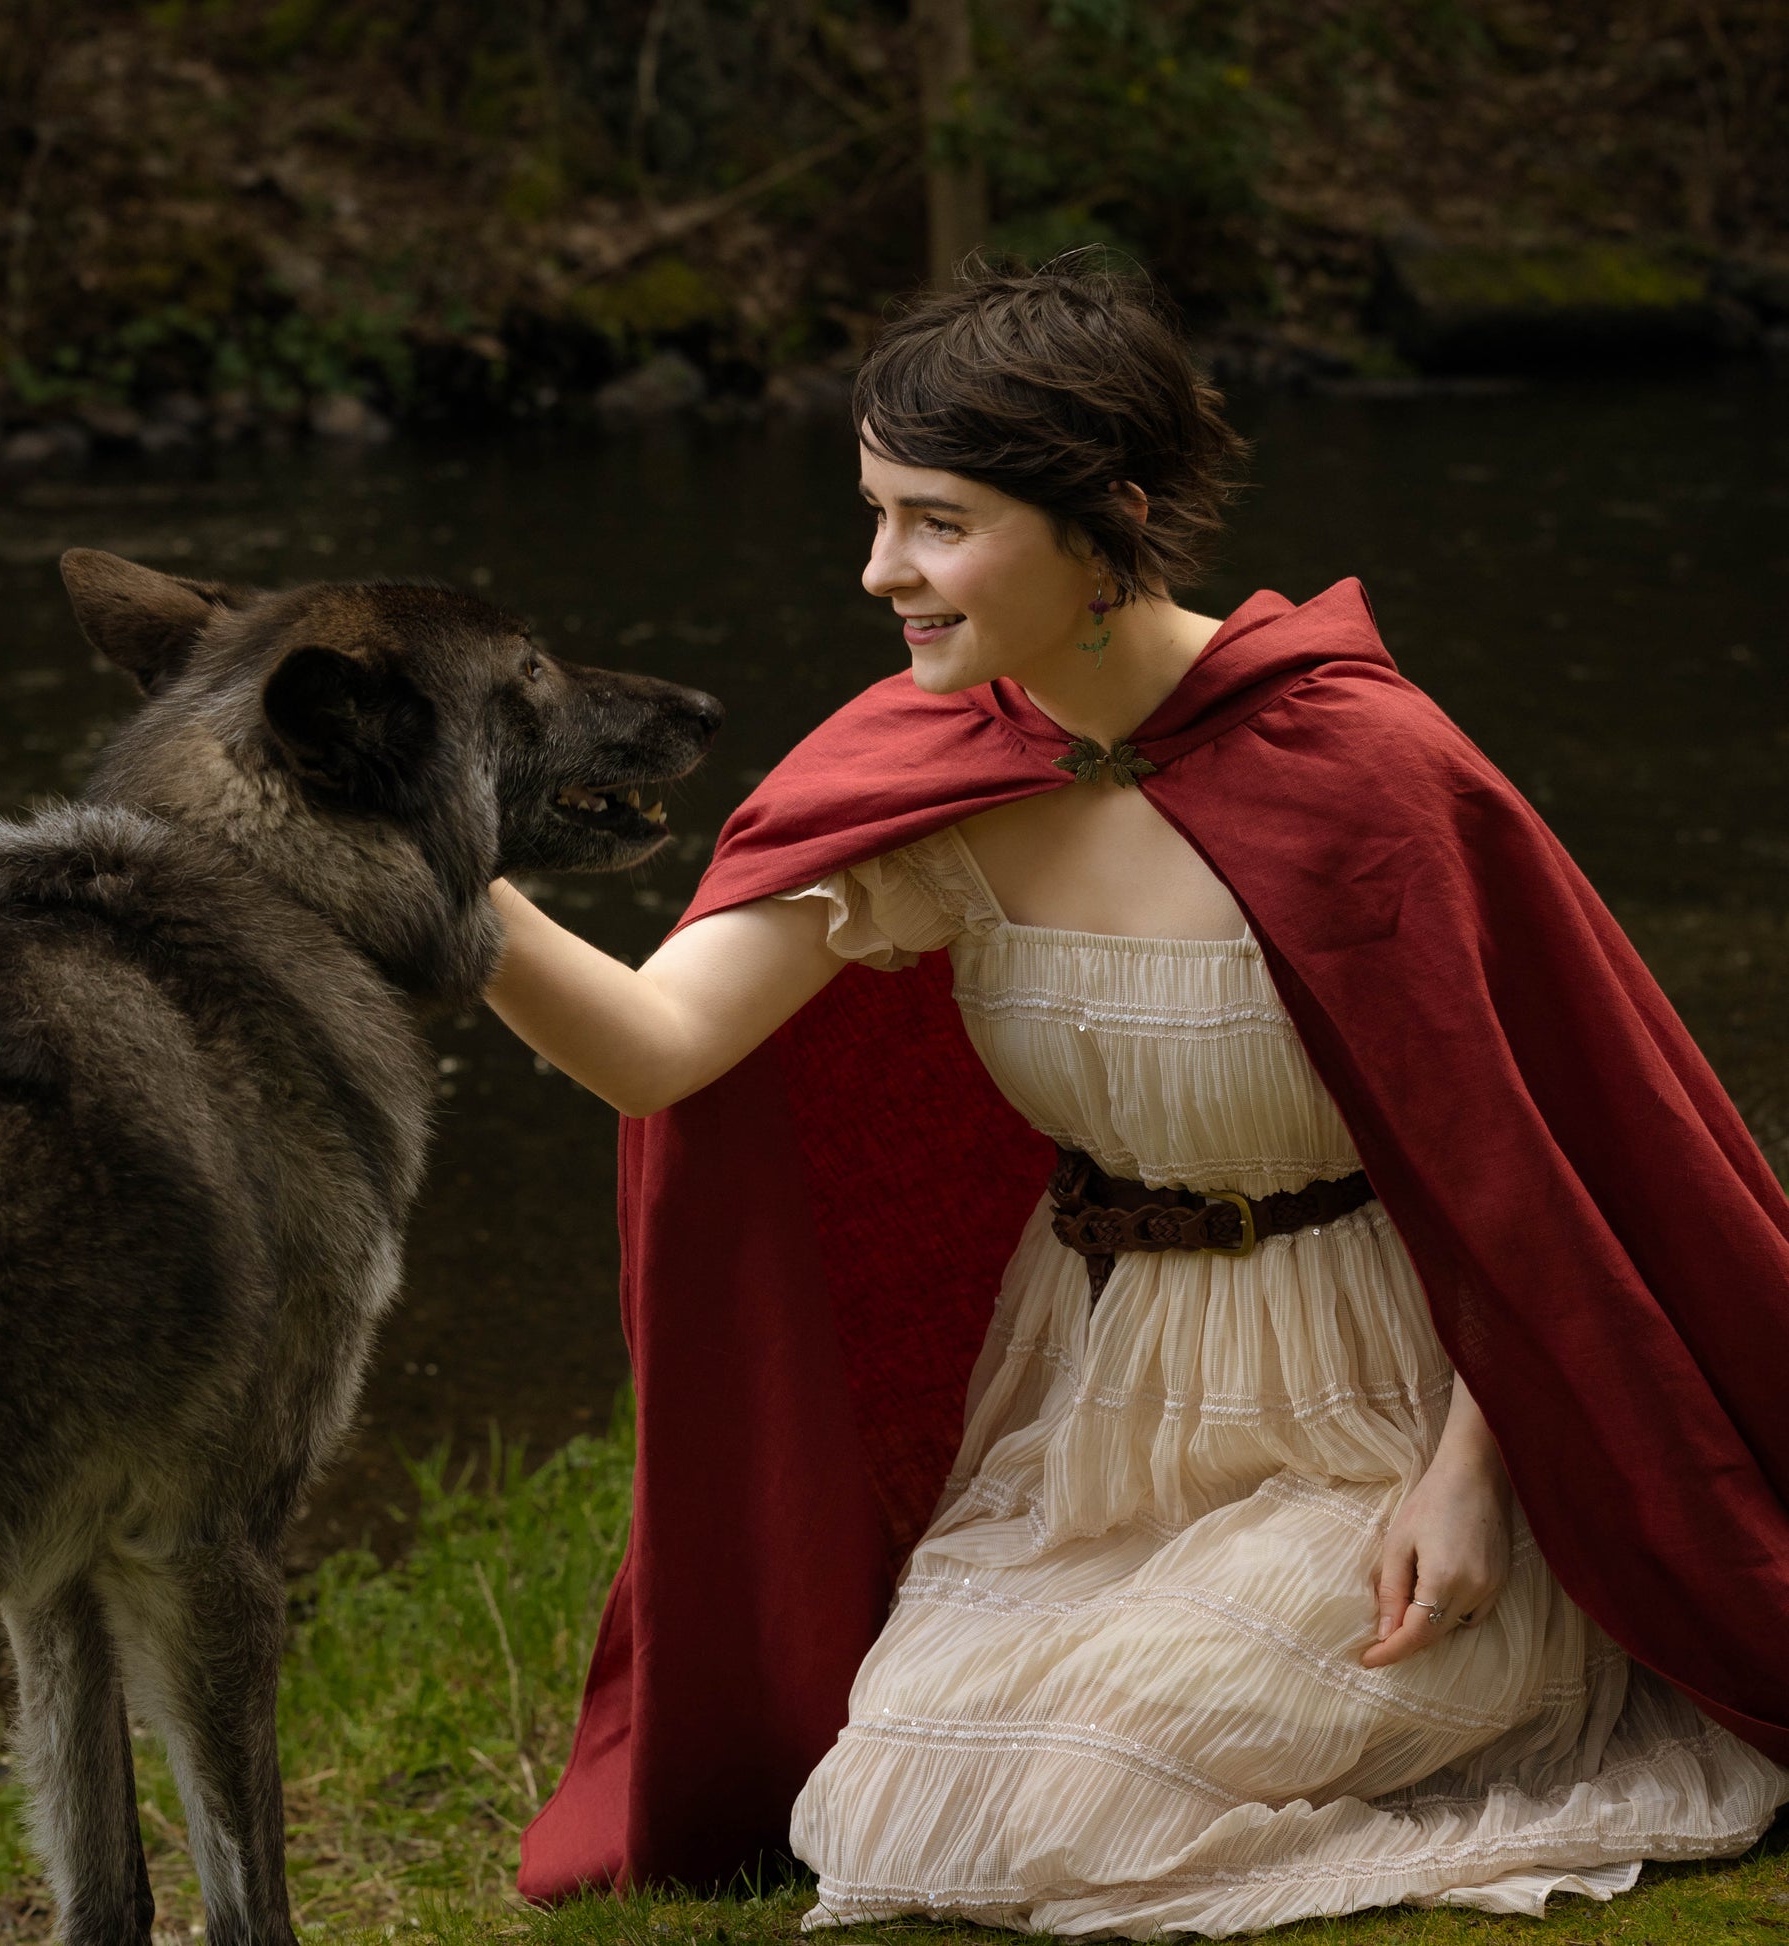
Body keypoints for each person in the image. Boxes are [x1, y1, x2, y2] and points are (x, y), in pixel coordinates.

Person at [487, 263, 1789, 1936]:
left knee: (1082, 1805)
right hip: (1101, 1406)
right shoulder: (921, 770)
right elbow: (656, 1046)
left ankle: (1524, 1678)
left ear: (1103, 518)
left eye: (936, 523)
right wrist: (431, 872)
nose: (881, 569)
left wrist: (1472, 1475)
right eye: (876, 514)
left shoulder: (1361, 767)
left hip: (1389, 1413)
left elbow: (1532, 1166)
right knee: (890, 1813)